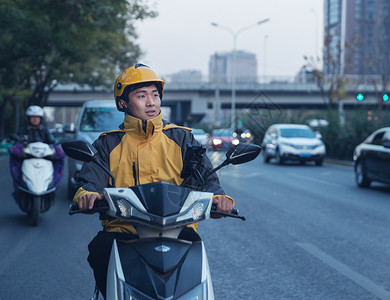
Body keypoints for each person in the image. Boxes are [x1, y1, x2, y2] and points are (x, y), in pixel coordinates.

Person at [73, 63, 234, 298]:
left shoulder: (182, 137)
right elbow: (89, 180)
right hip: (124, 229)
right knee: (99, 249)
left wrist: (220, 198)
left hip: (177, 229)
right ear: (123, 103)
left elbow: (207, 177)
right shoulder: (107, 144)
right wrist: (86, 194)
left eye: (155, 95)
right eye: (141, 95)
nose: (151, 102)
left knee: (196, 251)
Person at [9, 105, 65, 190]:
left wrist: (54, 145)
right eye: (32, 117)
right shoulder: (23, 129)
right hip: (27, 154)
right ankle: (18, 182)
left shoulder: (45, 129)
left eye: (37, 117)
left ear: (41, 119)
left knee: (60, 155)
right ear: (28, 118)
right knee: (13, 155)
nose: (35, 119)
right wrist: (22, 140)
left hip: (44, 154)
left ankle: (54, 182)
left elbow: (52, 141)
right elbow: (18, 140)